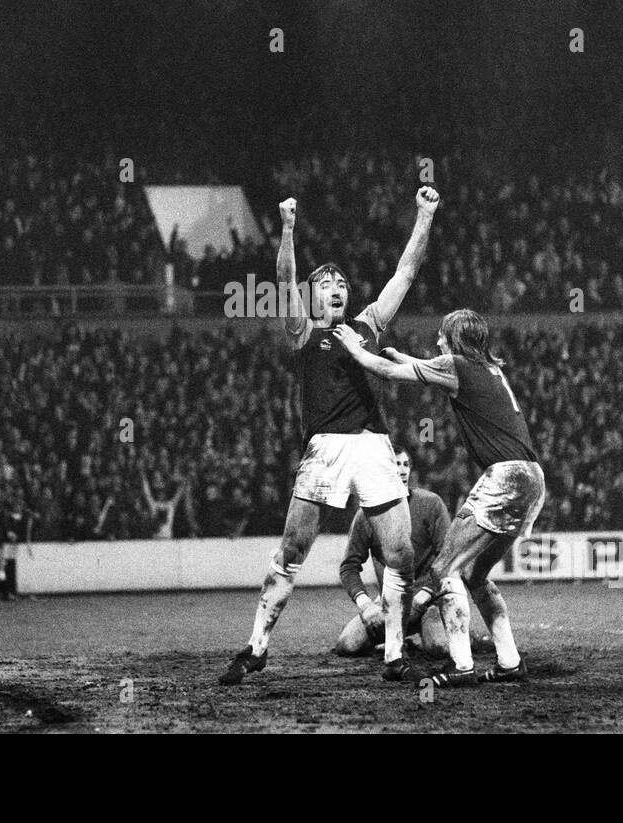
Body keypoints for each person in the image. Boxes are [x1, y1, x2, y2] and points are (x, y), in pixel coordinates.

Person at [219, 187, 439, 685]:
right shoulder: (304, 331)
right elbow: (282, 277)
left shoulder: (367, 325)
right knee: (293, 548)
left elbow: (405, 271)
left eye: (341, 282)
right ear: (313, 295)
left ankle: (395, 654)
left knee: (400, 553)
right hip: (324, 448)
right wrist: (289, 228)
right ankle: (257, 646)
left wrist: (424, 215)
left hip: (372, 444)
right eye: (326, 283)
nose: (336, 287)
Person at [334, 307, 544, 687]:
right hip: (533, 479)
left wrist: (355, 349)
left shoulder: (456, 365)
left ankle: (462, 665)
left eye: (441, 336)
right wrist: (407, 358)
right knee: (475, 576)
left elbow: (388, 373)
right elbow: (425, 369)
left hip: (505, 476)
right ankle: (509, 661)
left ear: (455, 339)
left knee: (444, 569)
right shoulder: (487, 370)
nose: (436, 341)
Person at [334, 449, 498, 659]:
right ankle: (402, 639)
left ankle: (466, 636)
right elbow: (349, 566)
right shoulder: (365, 515)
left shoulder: (431, 504)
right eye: (395, 464)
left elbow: (446, 557)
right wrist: (366, 605)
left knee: (438, 648)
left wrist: (425, 595)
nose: (401, 470)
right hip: (391, 602)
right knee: (347, 645)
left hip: (429, 600)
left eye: (405, 464)